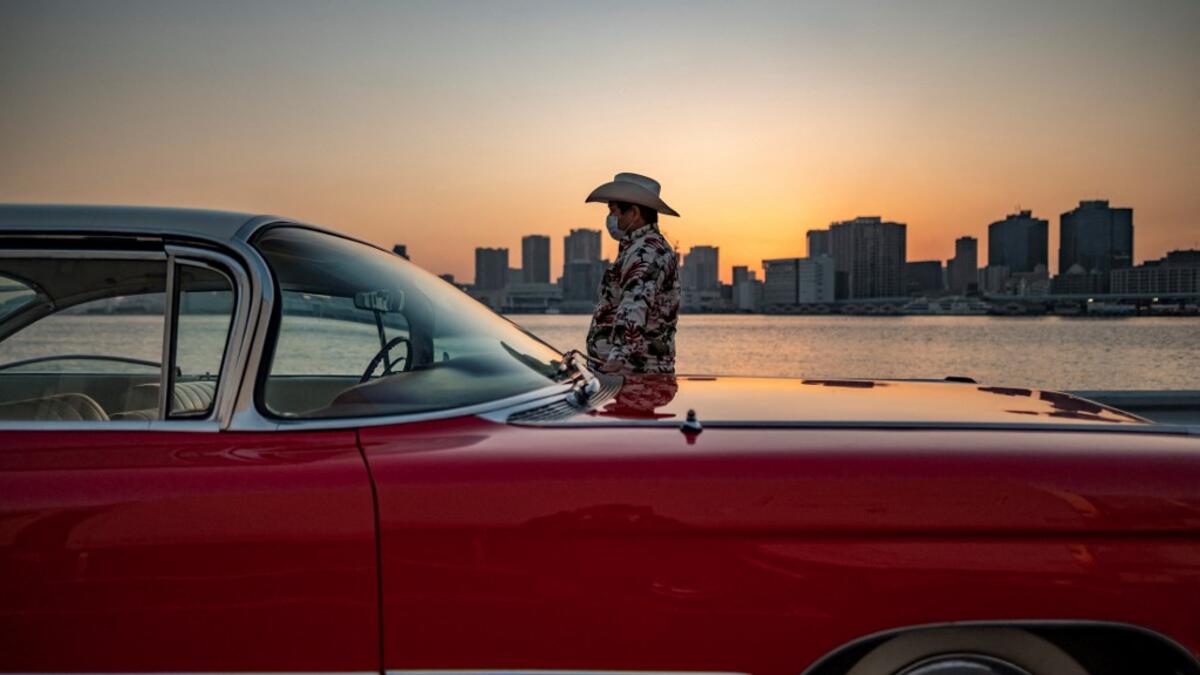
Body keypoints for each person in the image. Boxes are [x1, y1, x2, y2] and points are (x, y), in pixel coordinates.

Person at [583, 172, 681, 374]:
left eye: (614, 211)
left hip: (633, 375)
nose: (610, 218)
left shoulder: (647, 252)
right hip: (627, 373)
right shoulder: (637, 248)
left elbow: (635, 303)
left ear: (634, 213)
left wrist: (618, 358)